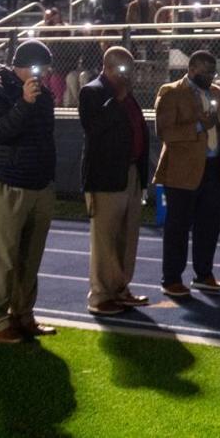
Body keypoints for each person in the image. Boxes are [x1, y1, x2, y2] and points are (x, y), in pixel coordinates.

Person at [0, 40, 58, 343]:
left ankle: (23, 314)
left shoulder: (45, 95)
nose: (45, 74)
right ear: (23, 66)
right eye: (41, 68)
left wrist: (48, 177)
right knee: (3, 258)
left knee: (30, 257)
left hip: (38, 182)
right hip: (5, 182)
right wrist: (23, 102)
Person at [153, 50, 220, 297]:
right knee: (177, 227)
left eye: (213, 72)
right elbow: (165, 132)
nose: (211, 76)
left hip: (214, 167)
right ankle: (172, 279)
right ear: (192, 69)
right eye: (206, 72)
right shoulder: (171, 92)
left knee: (209, 226)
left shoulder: (218, 93)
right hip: (182, 171)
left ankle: (204, 274)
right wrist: (198, 126)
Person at [79, 47, 150, 316]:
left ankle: (120, 288)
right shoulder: (93, 91)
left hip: (131, 173)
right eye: (123, 69)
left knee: (128, 235)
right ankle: (100, 295)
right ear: (109, 67)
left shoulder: (128, 95)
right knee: (105, 238)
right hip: (106, 175)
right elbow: (92, 129)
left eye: (130, 69)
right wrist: (116, 100)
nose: (128, 74)